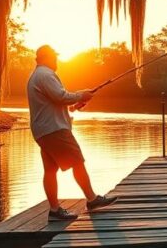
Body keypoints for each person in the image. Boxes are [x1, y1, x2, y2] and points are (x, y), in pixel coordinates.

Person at [27, 45, 117, 220]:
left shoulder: (38, 76)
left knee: (50, 170)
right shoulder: (45, 74)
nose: (56, 60)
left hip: (44, 130)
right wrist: (80, 95)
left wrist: (75, 105)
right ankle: (92, 199)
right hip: (55, 130)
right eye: (54, 56)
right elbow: (60, 96)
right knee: (77, 161)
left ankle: (54, 210)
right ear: (47, 57)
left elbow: (54, 101)